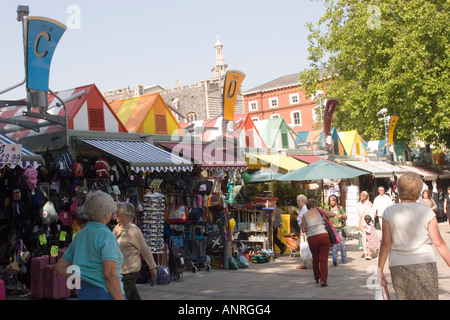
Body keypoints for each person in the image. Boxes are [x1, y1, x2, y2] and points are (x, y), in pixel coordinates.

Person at [378, 172, 450, 300]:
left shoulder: (389, 212)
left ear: (399, 189)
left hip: (398, 264)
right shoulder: (426, 211)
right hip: (425, 261)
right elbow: (438, 243)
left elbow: (385, 243)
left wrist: (380, 269)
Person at [56, 190, 125, 300]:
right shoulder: (107, 236)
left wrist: (84, 274)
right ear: (106, 213)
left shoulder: (80, 235)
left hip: (85, 292)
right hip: (106, 292)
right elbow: (110, 275)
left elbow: (60, 267)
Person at [113, 202, 157, 300]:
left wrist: (152, 267)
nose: (115, 213)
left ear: (127, 213)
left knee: (120, 296)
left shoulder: (133, 230)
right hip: (119, 270)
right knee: (133, 296)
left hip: (129, 271)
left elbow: (144, 249)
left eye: (117, 211)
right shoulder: (116, 228)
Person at [301, 198, 336, 287]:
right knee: (323, 259)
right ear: (316, 205)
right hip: (324, 236)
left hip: (312, 238)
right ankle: (324, 280)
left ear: (308, 206)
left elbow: (303, 229)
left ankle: (317, 277)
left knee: (315, 257)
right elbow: (333, 214)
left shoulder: (305, 215)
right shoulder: (320, 211)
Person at [328, 195, 347, 266]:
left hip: (340, 228)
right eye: (330, 201)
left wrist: (341, 216)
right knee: (334, 245)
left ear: (336, 201)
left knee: (342, 245)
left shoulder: (340, 208)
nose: (332, 202)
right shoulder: (329, 209)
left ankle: (344, 259)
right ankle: (335, 260)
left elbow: (345, 216)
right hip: (333, 229)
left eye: (333, 200)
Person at [356, 191, 374, 256]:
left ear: (366, 197)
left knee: (368, 238)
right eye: (360, 195)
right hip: (361, 223)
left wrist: (370, 224)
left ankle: (369, 252)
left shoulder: (369, 204)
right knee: (363, 238)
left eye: (363, 195)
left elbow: (372, 214)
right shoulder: (358, 204)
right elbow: (357, 215)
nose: (361, 197)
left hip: (367, 223)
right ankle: (366, 252)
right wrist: (357, 224)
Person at [296, 194, 308, 269]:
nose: (298, 204)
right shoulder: (304, 208)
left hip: (304, 230)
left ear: (302, 201)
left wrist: (303, 229)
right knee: (305, 246)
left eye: (298, 202)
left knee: (304, 246)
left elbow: (304, 219)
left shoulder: (305, 209)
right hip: (303, 229)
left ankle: (304, 263)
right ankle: (304, 262)